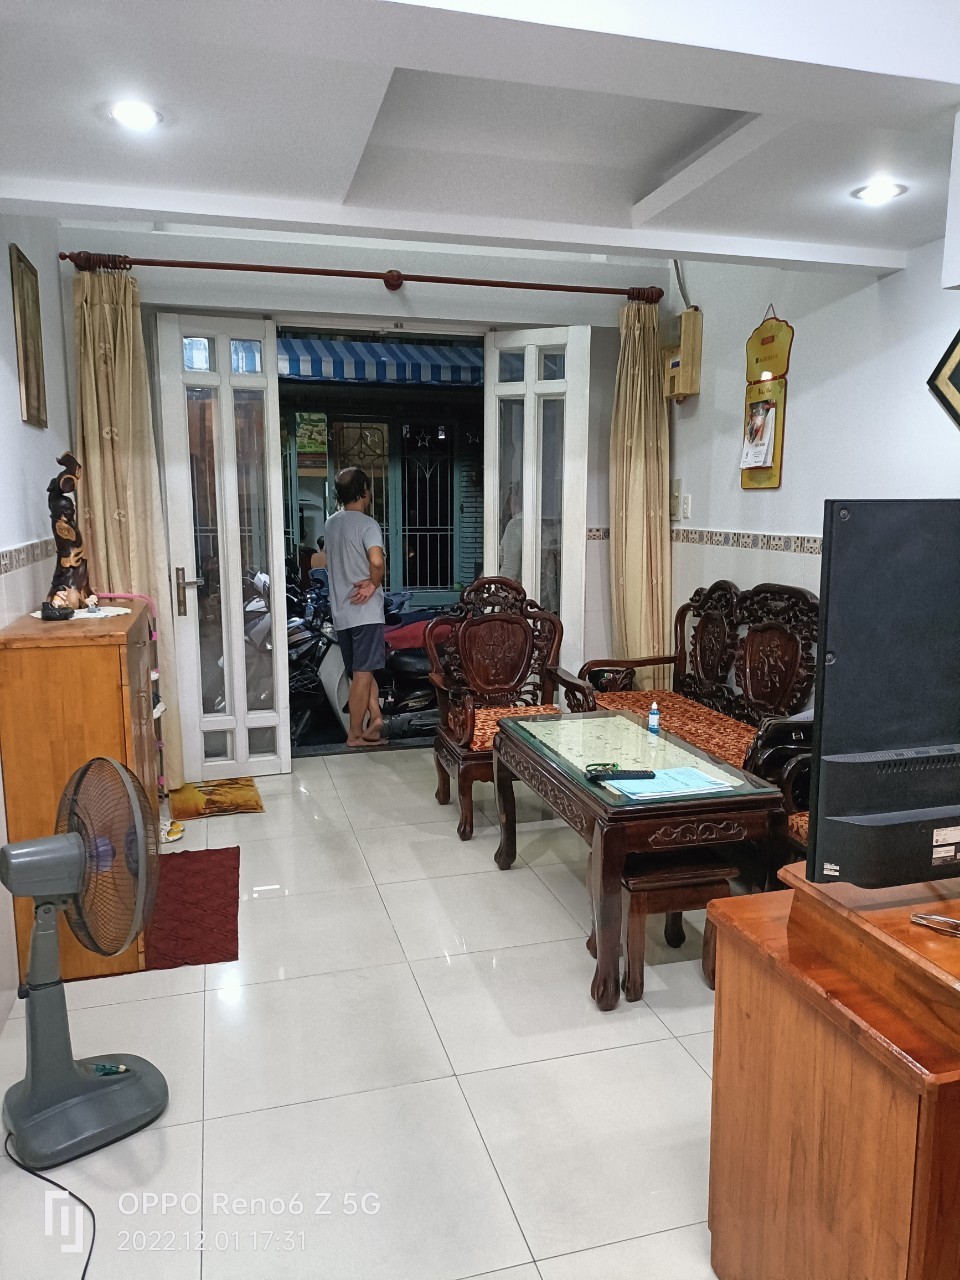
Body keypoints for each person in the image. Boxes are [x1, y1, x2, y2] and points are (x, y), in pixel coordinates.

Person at [323, 468, 386, 748]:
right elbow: (376, 561)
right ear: (364, 491)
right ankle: (355, 734)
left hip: (342, 612)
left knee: (360, 672)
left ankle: (376, 718)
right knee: (363, 673)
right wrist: (373, 584)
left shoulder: (330, 524)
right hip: (366, 611)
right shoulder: (368, 525)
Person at [498, 485, 522, 582]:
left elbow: (510, 569)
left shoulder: (516, 524)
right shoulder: (539, 521)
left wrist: (498, 588)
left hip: (520, 586)